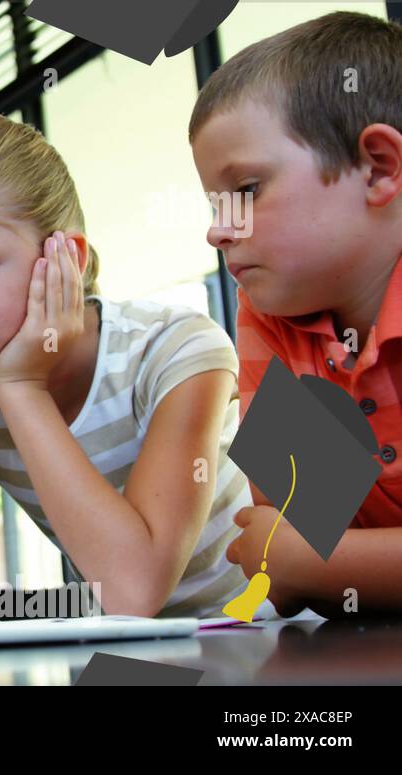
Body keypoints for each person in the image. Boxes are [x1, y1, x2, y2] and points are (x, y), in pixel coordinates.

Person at [0, 113, 250, 620]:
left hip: (288, 633)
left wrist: (21, 386)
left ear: (66, 259)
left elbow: (134, 592)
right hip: (134, 654)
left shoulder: (175, 349)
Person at [190, 11, 402, 616]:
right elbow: (285, 563)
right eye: (214, 203)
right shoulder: (270, 313)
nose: (216, 231)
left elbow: (298, 559)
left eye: (247, 190)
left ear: (379, 167)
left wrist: (314, 560)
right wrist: (311, 562)